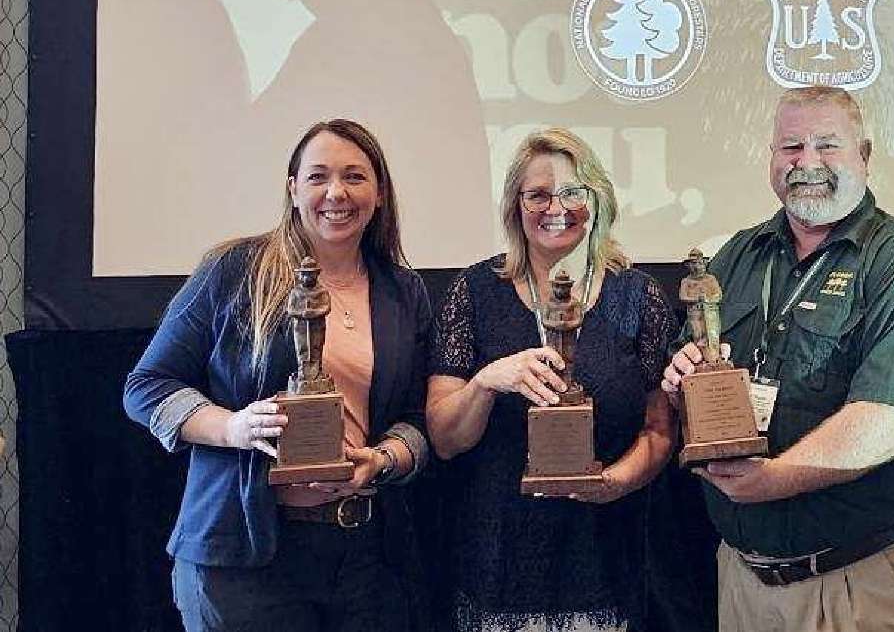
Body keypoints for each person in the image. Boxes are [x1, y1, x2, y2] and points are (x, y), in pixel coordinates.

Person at [661, 86, 894, 632]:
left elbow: (892, 418)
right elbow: (693, 364)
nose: (807, 163)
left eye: (827, 146)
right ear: (772, 160)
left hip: (867, 581)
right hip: (745, 580)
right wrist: (681, 378)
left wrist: (770, 479)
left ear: (865, 157)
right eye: (791, 147)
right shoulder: (736, 255)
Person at [123, 119, 433, 631]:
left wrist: (381, 459)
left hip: (366, 561)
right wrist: (234, 428)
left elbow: (415, 421)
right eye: (318, 177)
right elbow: (147, 386)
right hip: (241, 557)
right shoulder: (234, 270)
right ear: (293, 190)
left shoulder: (403, 291)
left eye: (355, 177)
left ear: (379, 193)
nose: (336, 192)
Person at [426, 128, 677, 632]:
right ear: (516, 206)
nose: (554, 207)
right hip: (498, 565)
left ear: (597, 199)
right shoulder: (475, 293)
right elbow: (444, 439)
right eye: (537, 194)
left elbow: (659, 429)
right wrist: (485, 383)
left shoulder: (638, 297)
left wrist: (614, 483)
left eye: (571, 192)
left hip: (605, 557)